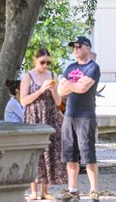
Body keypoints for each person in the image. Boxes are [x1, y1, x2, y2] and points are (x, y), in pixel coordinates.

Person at [57, 36, 101, 202]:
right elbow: (60, 91)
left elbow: (83, 88)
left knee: (88, 153)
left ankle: (94, 190)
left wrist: (69, 85)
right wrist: (70, 86)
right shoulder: (70, 67)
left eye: (78, 46)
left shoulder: (93, 67)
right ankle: (73, 190)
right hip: (69, 115)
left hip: (85, 116)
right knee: (70, 155)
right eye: (73, 47)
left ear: (87, 48)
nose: (75, 49)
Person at [20, 48, 67, 200]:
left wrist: (53, 90)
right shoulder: (28, 76)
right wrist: (41, 90)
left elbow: (59, 103)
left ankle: (44, 191)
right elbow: (23, 100)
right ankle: (33, 191)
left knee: (49, 152)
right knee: (35, 153)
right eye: (42, 62)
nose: (45, 65)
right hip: (33, 117)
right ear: (35, 60)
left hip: (50, 117)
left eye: (48, 62)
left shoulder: (53, 76)